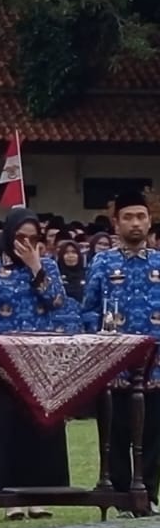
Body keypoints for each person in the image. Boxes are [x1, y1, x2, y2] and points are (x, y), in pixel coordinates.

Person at [0, 207, 69, 518]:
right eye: (20, 239)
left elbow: (57, 303)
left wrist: (35, 267)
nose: (26, 244)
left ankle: (39, 496)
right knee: (7, 431)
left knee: (40, 429)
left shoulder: (48, 268)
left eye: (33, 239)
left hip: (41, 362)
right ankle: (8, 499)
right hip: (3, 364)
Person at [80, 191, 160, 502]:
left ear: (149, 221)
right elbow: (88, 309)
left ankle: (148, 494)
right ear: (116, 223)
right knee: (117, 433)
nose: (136, 223)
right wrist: (98, 337)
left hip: (155, 366)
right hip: (114, 366)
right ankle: (123, 495)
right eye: (128, 217)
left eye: (141, 217)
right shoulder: (102, 262)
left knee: (153, 433)